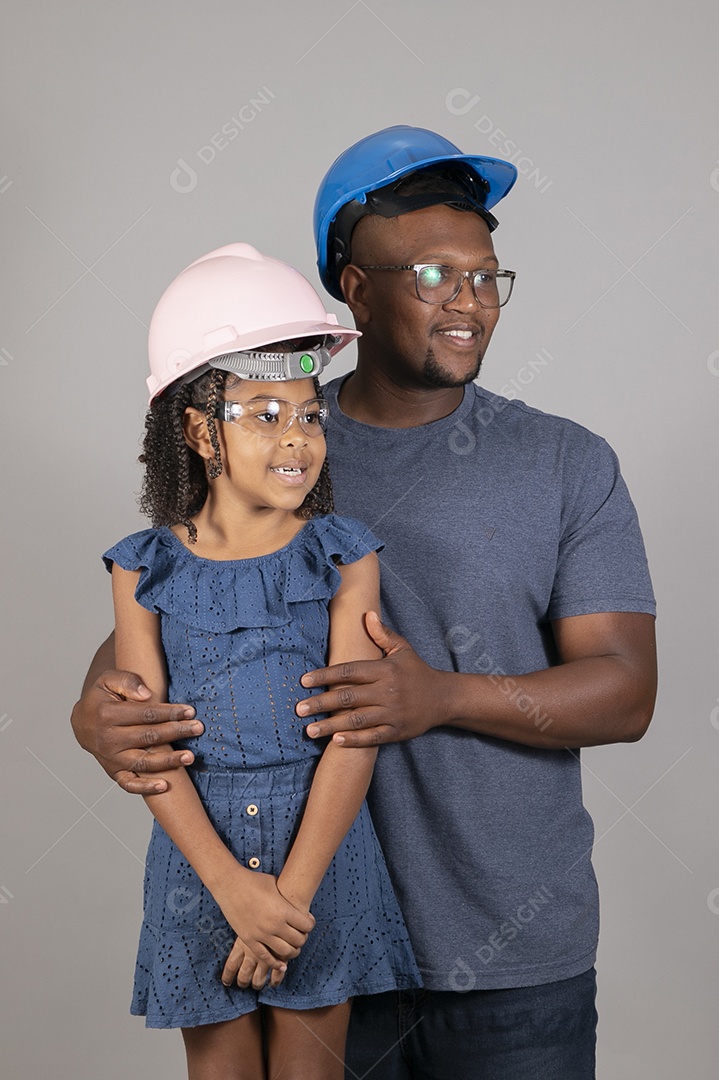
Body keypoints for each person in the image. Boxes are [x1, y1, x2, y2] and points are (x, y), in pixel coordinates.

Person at [72, 127, 657, 1079]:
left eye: (486, 277)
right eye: (433, 274)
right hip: (309, 935)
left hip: (514, 957)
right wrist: (96, 710)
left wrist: (442, 697)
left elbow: (625, 692)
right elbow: (175, 612)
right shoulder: (276, 444)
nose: (468, 303)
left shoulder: (563, 460)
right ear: (352, 287)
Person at [97, 242, 420, 1080]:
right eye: (264, 413)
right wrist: (237, 893)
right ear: (201, 430)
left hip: (325, 859)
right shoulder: (141, 569)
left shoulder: (346, 557)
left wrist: (291, 896)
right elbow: (148, 747)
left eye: (309, 414)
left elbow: (355, 737)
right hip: (197, 865)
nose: (298, 439)